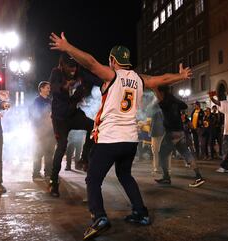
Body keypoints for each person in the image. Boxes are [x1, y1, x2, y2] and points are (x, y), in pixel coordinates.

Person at [49, 32, 192, 240]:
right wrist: (181, 76)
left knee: (93, 179)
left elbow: (89, 62)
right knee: (125, 175)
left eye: (110, 61)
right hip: (130, 140)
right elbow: (161, 79)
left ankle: (99, 217)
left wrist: (68, 47)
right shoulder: (139, 79)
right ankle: (140, 213)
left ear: (114, 61)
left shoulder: (112, 75)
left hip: (110, 139)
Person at [48, 53, 102, 197]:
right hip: (60, 118)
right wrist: (66, 86)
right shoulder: (56, 72)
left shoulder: (78, 72)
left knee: (93, 126)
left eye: (75, 67)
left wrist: (109, 81)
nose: (73, 70)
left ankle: (83, 158)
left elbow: (96, 79)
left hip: (73, 114)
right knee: (62, 146)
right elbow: (54, 88)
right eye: (70, 67)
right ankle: (53, 182)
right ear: (62, 65)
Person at [153, 85, 205, 188]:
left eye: (158, 93)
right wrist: (174, 99)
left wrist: (154, 88)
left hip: (171, 133)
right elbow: (184, 106)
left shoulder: (164, 103)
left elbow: (158, 98)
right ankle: (199, 176)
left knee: (162, 154)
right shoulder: (173, 101)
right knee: (186, 153)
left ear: (162, 93)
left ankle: (166, 178)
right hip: (180, 132)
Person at [29, 81, 55, 180]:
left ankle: (48, 173)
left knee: (49, 153)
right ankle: (36, 174)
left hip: (50, 131)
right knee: (38, 152)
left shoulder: (50, 101)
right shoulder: (37, 101)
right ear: (41, 89)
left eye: (49, 88)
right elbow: (35, 116)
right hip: (40, 132)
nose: (49, 89)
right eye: (47, 88)